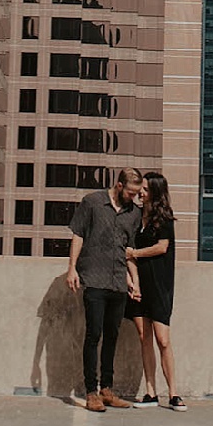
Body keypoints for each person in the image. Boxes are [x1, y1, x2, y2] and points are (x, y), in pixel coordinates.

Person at [66, 167, 144, 413]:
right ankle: (91, 392)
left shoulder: (134, 213)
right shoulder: (92, 202)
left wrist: (134, 281)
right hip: (94, 279)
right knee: (94, 335)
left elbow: (129, 251)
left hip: (118, 282)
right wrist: (71, 268)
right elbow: (78, 235)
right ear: (119, 186)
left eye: (137, 193)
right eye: (131, 192)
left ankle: (107, 390)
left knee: (112, 336)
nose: (134, 197)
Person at [124, 171, 184, 411]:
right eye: (142, 188)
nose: (141, 192)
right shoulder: (135, 216)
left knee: (163, 340)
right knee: (144, 337)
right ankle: (150, 392)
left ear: (156, 193)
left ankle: (174, 393)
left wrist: (135, 253)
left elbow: (162, 247)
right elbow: (127, 250)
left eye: (146, 189)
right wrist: (133, 281)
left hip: (160, 285)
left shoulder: (164, 218)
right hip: (139, 284)